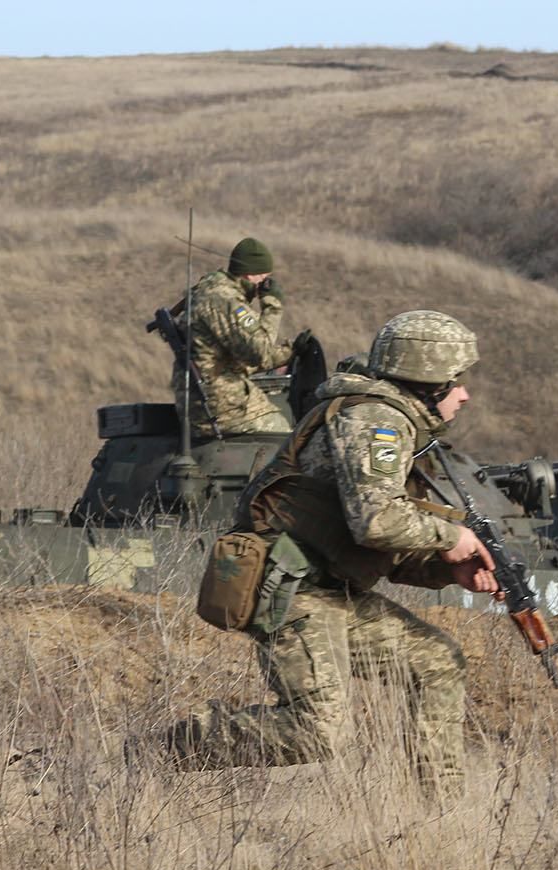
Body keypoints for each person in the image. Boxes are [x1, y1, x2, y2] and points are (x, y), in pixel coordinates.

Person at [164, 310, 499, 802]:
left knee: (436, 661)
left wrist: (448, 572)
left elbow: (375, 543)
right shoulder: (375, 420)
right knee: (317, 731)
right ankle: (165, 749)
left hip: (330, 589)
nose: (464, 395)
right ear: (427, 381)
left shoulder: (395, 424)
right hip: (291, 588)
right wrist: (452, 539)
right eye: (455, 382)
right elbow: (377, 520)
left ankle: (441, 811)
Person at [177, 236, 295, 437]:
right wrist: (273, 305)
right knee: (284, 435)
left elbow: (242, 356)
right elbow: (259, 353)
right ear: (250, 275)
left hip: (208, 401)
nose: (265, 285)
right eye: (264, 279)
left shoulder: (212, 295)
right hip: (223, 408)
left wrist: (290, 351)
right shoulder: (223, 300)